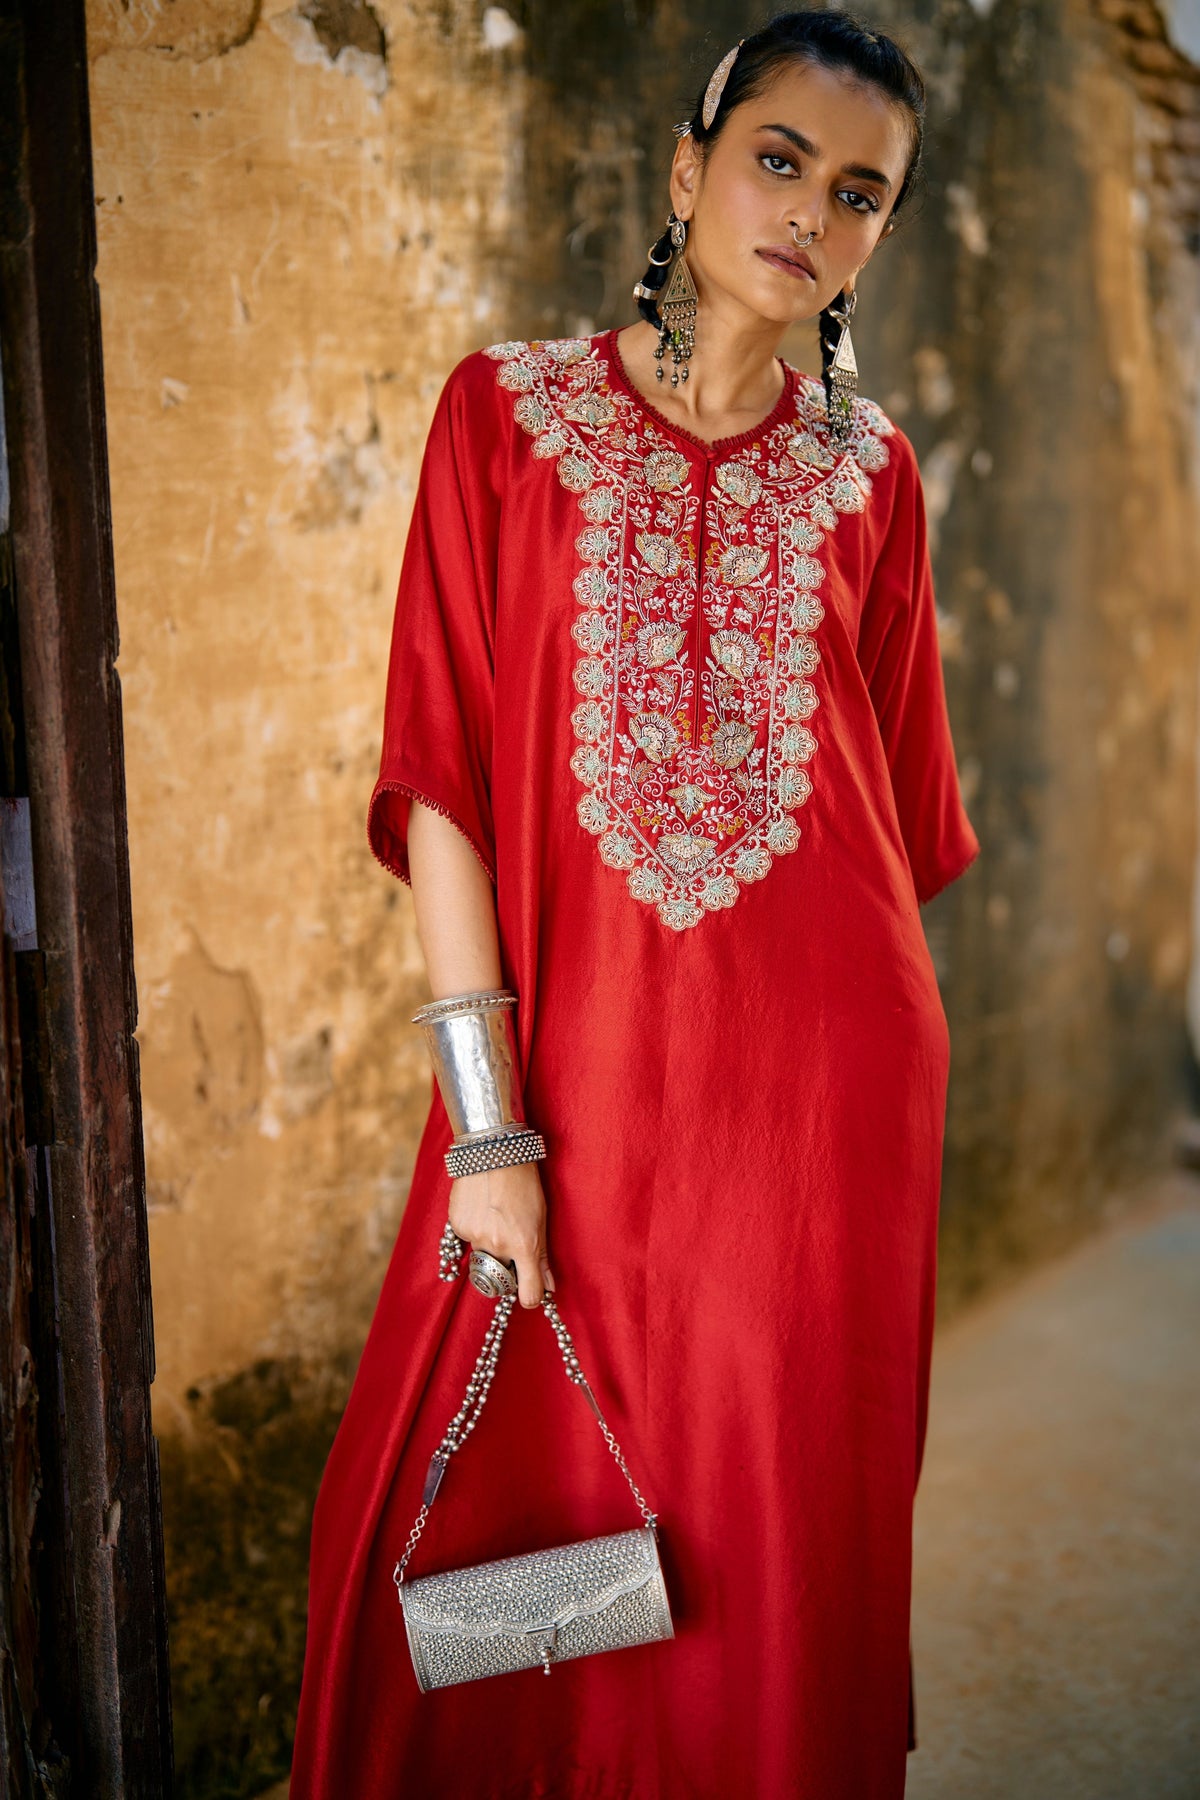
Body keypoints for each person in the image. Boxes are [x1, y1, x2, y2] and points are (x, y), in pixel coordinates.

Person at [290, 11, 979, 1797]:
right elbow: (439, 781)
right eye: (778, 158)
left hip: (821, 1120)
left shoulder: (870, 477)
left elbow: (896, 823)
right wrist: (486, 1128)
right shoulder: (502, 420)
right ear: (686, 170)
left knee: (767, 1545)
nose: (811, 213)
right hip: (572, 1096)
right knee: (459, 1528)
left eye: (860, 193)